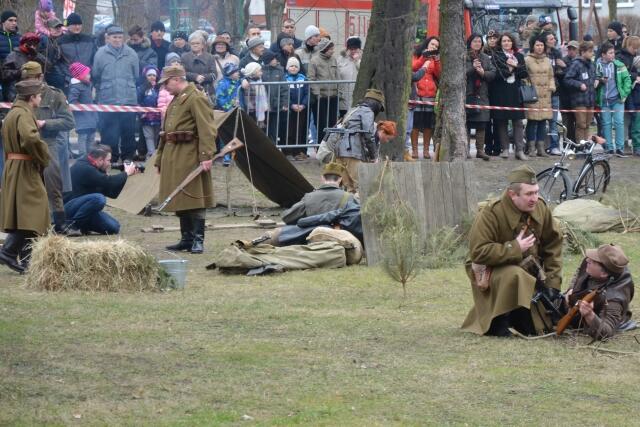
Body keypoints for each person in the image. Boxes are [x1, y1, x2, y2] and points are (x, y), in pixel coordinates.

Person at [461, 165, 563, 337]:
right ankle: (498, 322)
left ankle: (520, 318)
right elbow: (478, 252)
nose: (534, 198)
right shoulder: (491, 213)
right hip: (490, 270)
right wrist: (515, 248)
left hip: (529, 271)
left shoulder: (540, 208)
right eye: (529, 194)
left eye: (536, 192)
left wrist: (553, 284)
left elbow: (553, 246)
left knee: (540, 326)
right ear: (512, 194)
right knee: (515, 275)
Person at [155, 64, 217, 254]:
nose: (164, 87)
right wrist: (159, 158)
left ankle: (198, 240)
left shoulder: (196, 98)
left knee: (194, 197)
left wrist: (206, 156)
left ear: (176, 79)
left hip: (190, 154)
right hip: (173, 154)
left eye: (166, 83)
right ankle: (186, 239)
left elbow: (207, 129)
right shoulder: (176, 99)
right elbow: (165, 133)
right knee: (180, 196)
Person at [0, 80, 51, 273]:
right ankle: (9, 252)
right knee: (34, 212)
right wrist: (43, 155)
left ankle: (28, 261)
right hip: (24, 167)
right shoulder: (23, 114)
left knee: (25, 213)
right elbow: (30, 138)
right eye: (39, 95)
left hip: (16, 166)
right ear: (32, 97)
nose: (40, 98)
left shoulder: (13, 113)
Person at [563, 244, 634, 340]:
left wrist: (589, 315)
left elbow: (606, 332)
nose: (587, 260)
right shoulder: (594, 263)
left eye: (593, 261)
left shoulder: (614, 299)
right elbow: (580, 272)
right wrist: (571, 289)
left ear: (604, 273)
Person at [63, 145, 137, 235]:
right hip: (67, 209)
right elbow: (109, 182)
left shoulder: (93, 166)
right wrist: (126, 173)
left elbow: (112, 193)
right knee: (99, 199)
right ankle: (72, 226)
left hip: (82, 209)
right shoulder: (85, 168)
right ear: (100, 160)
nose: (110, 163)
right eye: (108, 160)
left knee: (114, 227)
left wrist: (125, 176)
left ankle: (83, 225)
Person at [92, 25, 140, 161]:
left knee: (128, 132)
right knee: (108, 133)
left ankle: (128, 159)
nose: (117, 40)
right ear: (107, 38)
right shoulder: (100, 54)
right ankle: (110, 160)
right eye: (114, 37)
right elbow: (96, 75)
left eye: (120, 37)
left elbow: (136, 75)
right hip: (108, 100)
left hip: (128, 100)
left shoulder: (131, 53)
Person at [333, 89, 389, 192]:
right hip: (353, 152)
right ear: (376, 104)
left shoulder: (353, 110)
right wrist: (374, 156)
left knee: (348, 188)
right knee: (358, 188)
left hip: (340, 150)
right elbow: (368, 135)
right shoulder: (367, 112)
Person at [489, 32, 528, 160]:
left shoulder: (519, 56)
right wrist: (510, 70)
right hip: (500, 92)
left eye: (509, 41)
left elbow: (524, 73)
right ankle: (505, 149)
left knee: (518, 122)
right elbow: (497, 75)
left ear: (512, 42)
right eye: (504, 41)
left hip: (515, 92)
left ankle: (519, 150)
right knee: (501, 122)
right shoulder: (496, 56)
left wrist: (515, 65)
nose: (506, 43)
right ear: (500, 43)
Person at [282, 162, 354, 225]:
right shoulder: (349, 197)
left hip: (314, 235)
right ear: (340, 179)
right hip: (340, 235)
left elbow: (287, 217)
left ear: (322, 178)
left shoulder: (309, 197)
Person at [596, 41, 632, 157]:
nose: (612, 55)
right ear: (603, 55)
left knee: (619, 122)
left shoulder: (619, 65)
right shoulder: (597, 65)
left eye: (613, 53)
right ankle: (609, 148)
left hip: (617, 99)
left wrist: (624, 94)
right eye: (610, 53)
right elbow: (594, 80)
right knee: (606, 123)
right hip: (604, 100)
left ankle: (620, 148)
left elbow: (627, 80)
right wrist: (600, 81)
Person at [465, 33, 495, 161]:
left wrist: (483, 73)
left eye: (479, 41)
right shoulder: (464, 56)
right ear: (470, 43)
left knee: (482, 124)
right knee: (466, 124)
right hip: (467, 94)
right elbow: (461, 73)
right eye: (475, 41)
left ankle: (480, 151)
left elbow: (493, 73)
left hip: (482, 95)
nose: (477, 44)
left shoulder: (486, 58)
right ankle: (465, 150)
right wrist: (473, 68)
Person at [524, 36, 555, 158]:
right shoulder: (527, 60)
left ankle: (541, 148)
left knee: (543, 121)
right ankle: (531, 148)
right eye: (537, 45)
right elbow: (524, 76)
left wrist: (551, 86)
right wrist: (529, 86)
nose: (539, 47)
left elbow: (551, 76)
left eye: (541, 45)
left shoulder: (547, 60)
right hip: (533, 95)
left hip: (546, 95)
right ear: (533, 46)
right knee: (532, 121)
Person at [411, 36, 440, 159]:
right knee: (416, 123)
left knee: (428, 124)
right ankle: (414, 150)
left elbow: (439, 74)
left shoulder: (435, 58)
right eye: (432, 44)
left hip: (430, 94)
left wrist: (437, 60)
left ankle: (426, 150)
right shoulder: (417, 54)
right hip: (417, 93)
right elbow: (413, 67)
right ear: (427, 43)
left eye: (436, 46)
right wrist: (424, 58)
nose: (434, 47)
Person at [563, 41, 597, 145]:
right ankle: (580, 146)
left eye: (592, 51)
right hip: (579, 100)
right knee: (581, 124)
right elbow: (567, 79)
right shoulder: (576, 64)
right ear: (583, 52)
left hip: (590, 100)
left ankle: (586, 145)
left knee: (587, 124)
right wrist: (579, 84)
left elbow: (594, 76)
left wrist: (597, 80)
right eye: (590, 51)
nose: (592, 53)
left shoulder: (592, 64)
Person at [308, 38, 339, 144]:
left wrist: (338, 90)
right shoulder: (314, 61)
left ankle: (331, 146)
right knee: (321, 124)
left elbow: (337, 76)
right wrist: (317, 94)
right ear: (324, 49)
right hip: (321, 98)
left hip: (333, 96)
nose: (333, 51)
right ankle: (321, 146)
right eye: (331, 49)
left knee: (333, 124)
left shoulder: (334, 59)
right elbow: (311, 79)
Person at [541, 31, 566, 156]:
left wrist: (563, 67)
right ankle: (541, 146)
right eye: (551, 39)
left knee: (553, 120)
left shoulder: (557, 53)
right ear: (545, 41)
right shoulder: (540, 53)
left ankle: (554, 146)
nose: (554, 40)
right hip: (541, 90)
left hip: (555, 90)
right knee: (541, 120)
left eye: (554, 38)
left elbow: (561, 73)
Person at [2, 33, 46, 102]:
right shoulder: (14, 55)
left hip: (35, 91)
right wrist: (19, 73)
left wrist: (36, 56)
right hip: (17, 92)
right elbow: (4, 74)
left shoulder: (36, 55)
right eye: (30, 43)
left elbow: (48, 66)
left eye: (35, 44)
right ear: (24, 43)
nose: (32, 46)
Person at [58, 12, 97, 90]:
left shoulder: (89, 40)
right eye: (74, 24)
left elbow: (95, 59)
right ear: (68, 26)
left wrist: (90, 74)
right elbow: (58, 62)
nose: (77, 27)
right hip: (69, 81)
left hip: (87, 80)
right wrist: (66, 76)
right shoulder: (60, 41)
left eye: (79, 24)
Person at [68, 62, 98, 156]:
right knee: (83, 139)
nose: (89, 76)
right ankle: (83, 158)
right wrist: (81, 108)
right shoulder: (75, 88)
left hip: (91, 118)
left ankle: (91, 157)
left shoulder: (87, 85)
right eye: (87, 74)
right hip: (82, 119)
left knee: (91, 138)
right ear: (80, 76)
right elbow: (72, 102)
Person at [616, 36, 640, 153]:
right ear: (629, 46)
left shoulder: (632, 57)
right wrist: (635, 77)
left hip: (632, 93)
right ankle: (623, 143)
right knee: (624, 120)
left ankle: (629, 143)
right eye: (635, 48)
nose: (636, 50)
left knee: (631, 120)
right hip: (625, 93)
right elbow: (624, 74)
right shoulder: (621, 58)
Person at [260, 50, 288, 146]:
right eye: (274, 59)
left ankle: (273, 148)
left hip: (276, 106)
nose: (276, 60)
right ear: (268, 60)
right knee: (262, 130)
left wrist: (285, 103)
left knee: (274, 130)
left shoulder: (280, 71)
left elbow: (284, 88)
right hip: (263, 107)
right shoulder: (260, 71)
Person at [284, 57, 309, 160]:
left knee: (299, 130)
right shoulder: (284, 79)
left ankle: (297, 152)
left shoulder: (303, 79)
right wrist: (291, 105)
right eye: (291, 66)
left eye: (295, 66)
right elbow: (284, 94)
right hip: (289, 109)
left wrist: (303, 105)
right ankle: (288, 151)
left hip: (301, 109)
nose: (293, 68)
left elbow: (307, 93)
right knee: (288, 130)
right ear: (287, 67)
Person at [182, 31, 216, 98]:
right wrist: (195, 77)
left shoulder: (210, 57)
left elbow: (214, 75)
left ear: (203, 45)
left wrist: (203, 77)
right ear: (189, 45)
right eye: (192, 43)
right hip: (190, 91)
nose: (195, 45)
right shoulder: (184, 57)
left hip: (207, 90)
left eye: (197, 43)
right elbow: (182, 73)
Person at [483, 29, 500, 156]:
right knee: (487, 121)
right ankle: (488, 146)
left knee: (498, 120)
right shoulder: (483, 53)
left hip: (498, 89)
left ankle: (498, 146)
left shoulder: (501, 53)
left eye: (494, 38)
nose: (492, 40)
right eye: (490, 39)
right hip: (485, 89)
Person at [137, 66, 161, 157]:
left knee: (156, 136)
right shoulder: (141, 89)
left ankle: (152, 154)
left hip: (158, 118)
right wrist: (141, 113)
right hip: (146, 118)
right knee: (148, 136)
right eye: (149, 75)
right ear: (145, 76)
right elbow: (137, 102)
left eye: (154, 75)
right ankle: (151, 155)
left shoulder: (159, 88)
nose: (152, 77)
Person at [559, 40, 580, 144]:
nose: (571, 51)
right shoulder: (562, 61)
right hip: (565, 97)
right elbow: (562, 77)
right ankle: (567, 144)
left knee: (578, 123)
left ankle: (577, 144)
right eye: (569, 49)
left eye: (573, 49)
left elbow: (577, 76)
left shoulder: (580, 62)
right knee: (567, 124)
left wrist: (565, 68)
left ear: (578, 50)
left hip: (578, 98)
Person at [39, 18, 66, 90]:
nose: (58, 29)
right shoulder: (43, 39)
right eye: (55, 27)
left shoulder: (64, 40)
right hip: (46, 73)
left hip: (61, 73)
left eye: (59, 27)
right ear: (48, 29)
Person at [337, 37, 361, 117]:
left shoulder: (363, 59)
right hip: (343, 97)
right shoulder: (341, 59)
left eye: (355, 49)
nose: (353, 51)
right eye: (351, 49)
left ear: (359, 49)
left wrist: (357, 60)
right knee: (343, 119)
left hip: (357, 96)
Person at [239, 62, 268, 127]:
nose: (261, 73)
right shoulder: (247, 80)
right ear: (253, 72)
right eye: (259, 71)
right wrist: (243, 80)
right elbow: (241, 80)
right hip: (250, 109)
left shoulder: (260, 80)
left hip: (260, 108)